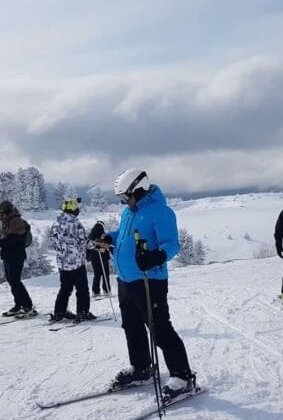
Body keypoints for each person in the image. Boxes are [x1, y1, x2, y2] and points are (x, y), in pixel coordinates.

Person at [99, 169, 196, 402]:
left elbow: (171, 244)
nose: (124, 202)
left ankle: (183, 377)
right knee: (131, 326)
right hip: (126, 280)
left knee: (160, 329)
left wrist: (156, 256)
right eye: (121, 198)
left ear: (139, 189)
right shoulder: (129, 212)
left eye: (126, 196)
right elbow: (123, 235)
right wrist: (108, 237)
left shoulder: (161, 212)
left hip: (149, 280)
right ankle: (142, 368)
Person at [0, 200, 37, 318]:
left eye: (0, 214)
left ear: (6, 212)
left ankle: (27, 306)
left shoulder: (16, 222)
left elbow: (12, 240)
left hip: (16, 256)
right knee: (12, 281)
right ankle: (18, 305)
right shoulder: (7, 222)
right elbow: (0, 238)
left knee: (15, 281)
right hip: (8, 256)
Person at [48, 198, 96, 323]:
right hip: (76, 262)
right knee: (82, 288)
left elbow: (52, 241)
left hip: (62, 263)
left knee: (65, 288)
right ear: (74, 209)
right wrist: (94, 244)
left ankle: (59, 312)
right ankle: (82, 312)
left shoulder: (56, 224)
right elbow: (85, 242)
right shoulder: (76, 224)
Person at [87, 220, 112, 297]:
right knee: (105, 273)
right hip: (103, 256)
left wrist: (88, 257)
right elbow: (109, 242)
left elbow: (87, 247)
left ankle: (96, 291)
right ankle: (106, 290)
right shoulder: (103, 234)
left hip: (94, 257)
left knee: (97, 274)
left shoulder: (91, 236)